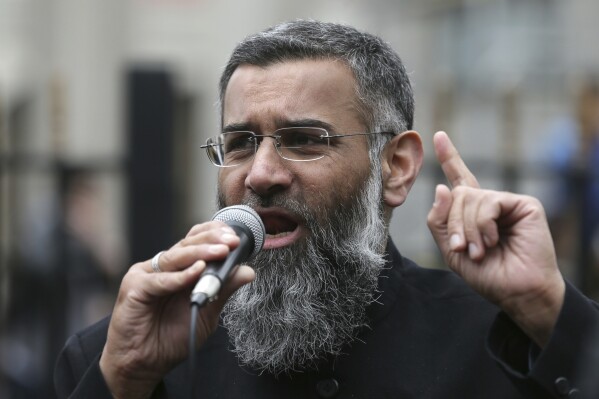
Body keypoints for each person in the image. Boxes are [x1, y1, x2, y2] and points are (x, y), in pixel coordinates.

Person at [54, 20, 599, 398]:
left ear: (397, 166)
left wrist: (548, 310)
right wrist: (120, 380)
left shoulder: (501, 340)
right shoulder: (125, 356)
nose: (261, 173)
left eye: (304, 139)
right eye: (240, 142)